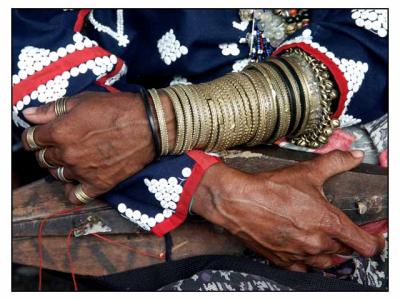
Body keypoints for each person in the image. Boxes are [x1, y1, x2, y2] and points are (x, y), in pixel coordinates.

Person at [12, 9, 388, 290]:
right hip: (140, 186)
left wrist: (167, 121)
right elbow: (23, 42)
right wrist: (218, 192)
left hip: (361, 152)